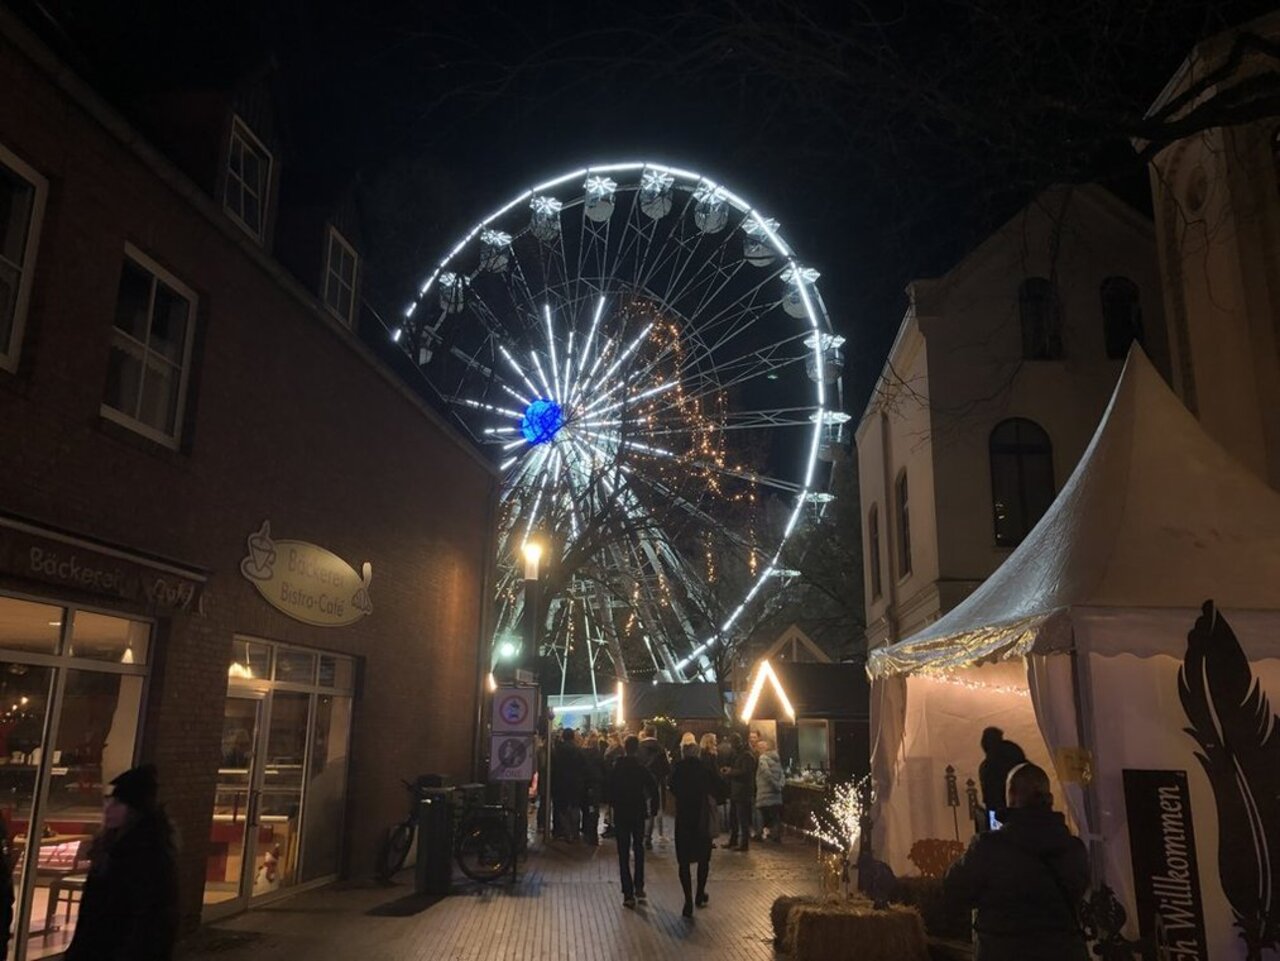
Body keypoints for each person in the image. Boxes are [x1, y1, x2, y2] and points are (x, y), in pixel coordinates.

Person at [944, 762, 1089, 961]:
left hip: (1004, 951)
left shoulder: (987, 848)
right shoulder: (1074, 849)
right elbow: (1078, 891)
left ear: (1011, 794)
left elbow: (954, 888)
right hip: (1063, 951)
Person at [66, 764, 179, 961]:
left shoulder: (148, 855)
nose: (108, 808)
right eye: (107, 801)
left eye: (118, 803)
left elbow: (151, 922)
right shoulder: (110, 847)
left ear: (135, 811)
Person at [669, 740, 727, 918]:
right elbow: (720, 788)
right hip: (702, 819)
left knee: (683, 862)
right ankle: (700, 892)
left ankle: (687, 898)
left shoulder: (678, 768)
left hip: (684, 819)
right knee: (704, 859)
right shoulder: (704, 769)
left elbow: (671, 787)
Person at [606, 735, 659, 908]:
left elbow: (610, 789)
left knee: (623, 852)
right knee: (638, 848)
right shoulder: (640, 768)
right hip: (638, 812)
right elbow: (653, 786)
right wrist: (654, 807)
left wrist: (612, 806)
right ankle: (639, 885)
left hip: (621, 812)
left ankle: (627, 892)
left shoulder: (617, 768)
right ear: (637, 749)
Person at [978, 727, 1027, 828]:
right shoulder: (1013, 753)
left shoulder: (988, 765)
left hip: (1001, 810)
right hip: (1018, 811)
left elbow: (990, 796)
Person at [637, 723, 670, 850]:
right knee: (652, 811)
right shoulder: (660, 748)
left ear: (645, 733)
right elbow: (666, 768)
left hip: (640, 784)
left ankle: (639, 836)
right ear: (655, 733)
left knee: (640, 810)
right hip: (655, 784)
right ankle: (647, 838)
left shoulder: (639, 748)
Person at [551, 728, 585, 842]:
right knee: (575, 807)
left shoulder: (558, 750)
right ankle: (575, 832)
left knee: (562, 808)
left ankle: (566, 832)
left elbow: (554, 767)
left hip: (560, 782)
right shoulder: (578, 750)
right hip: (575, 783)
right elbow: (583, 766)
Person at [724, 733, 756, 851]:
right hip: (736, 791)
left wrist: (731, 772)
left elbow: (745, 772)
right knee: (734, 817)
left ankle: (744, 843)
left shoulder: (746, 755)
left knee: (742, 819)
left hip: (743, 792)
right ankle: (733, 840)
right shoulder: (738, 754)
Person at [754, 737, 785, 843]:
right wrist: (780, 785)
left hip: (764, 791)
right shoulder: (777, 758)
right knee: (775, 814)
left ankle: (759, 833)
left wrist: (774, 784)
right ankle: (776, 835)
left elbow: (766, 773)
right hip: (776, 793)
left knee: (760, 811)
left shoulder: (763, 758)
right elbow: (781, 773)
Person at [581, 734, 607, 845]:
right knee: (594, 809)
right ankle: (592, 833)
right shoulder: (599, 755)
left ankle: (585, 830)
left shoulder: (582, 754)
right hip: (596, 784)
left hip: (584, 784)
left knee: (586, 808)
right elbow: (604, 769)